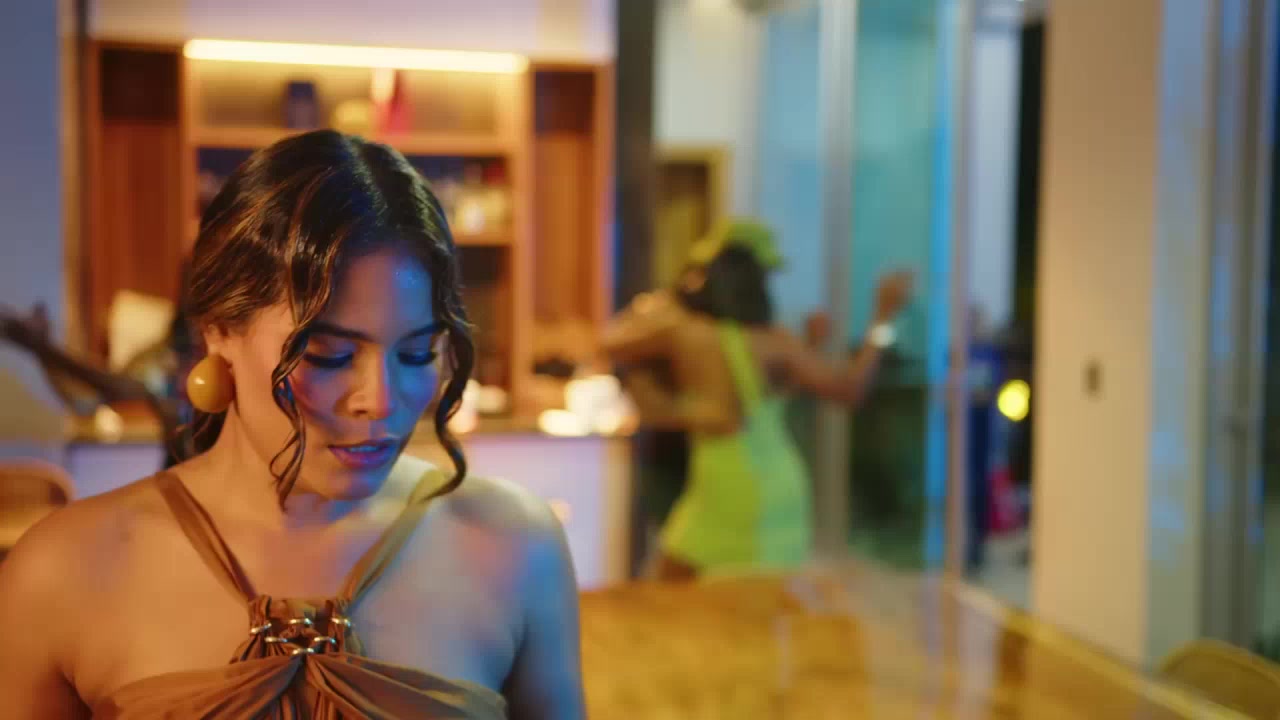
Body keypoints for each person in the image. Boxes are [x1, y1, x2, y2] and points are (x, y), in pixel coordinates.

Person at [0, 130, 585, 719]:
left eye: (416, 353)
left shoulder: (513, 546)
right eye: (330, 355)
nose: (380, 401)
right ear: (218, 329)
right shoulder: (63, 572)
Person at [602, 219, 912, 580]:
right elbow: (849, 388)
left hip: (729, 486)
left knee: (673, 591)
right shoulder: (775, 341)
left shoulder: (686, 332)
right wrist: (882, 319)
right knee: (741, 603)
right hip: (775, 490)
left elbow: (610, 341)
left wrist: (675, 292)